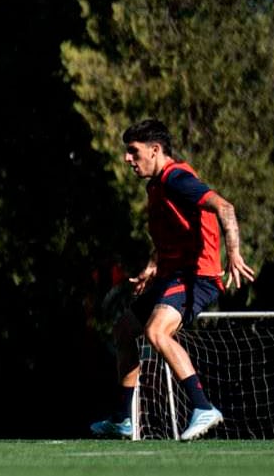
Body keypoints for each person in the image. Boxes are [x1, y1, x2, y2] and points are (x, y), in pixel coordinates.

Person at [91, 119, 255, 441]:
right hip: (172, 275)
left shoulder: (176, 179)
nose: (127, 159)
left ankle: (203, 406)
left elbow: (225, 207)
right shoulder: (157, 186)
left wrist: (233, 253)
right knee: (124, 330)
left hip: (198, 277)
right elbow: (172, 234)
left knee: (155, 330)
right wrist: (154, 265)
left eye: (133, 152)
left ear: (155, 151)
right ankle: (124, 419)